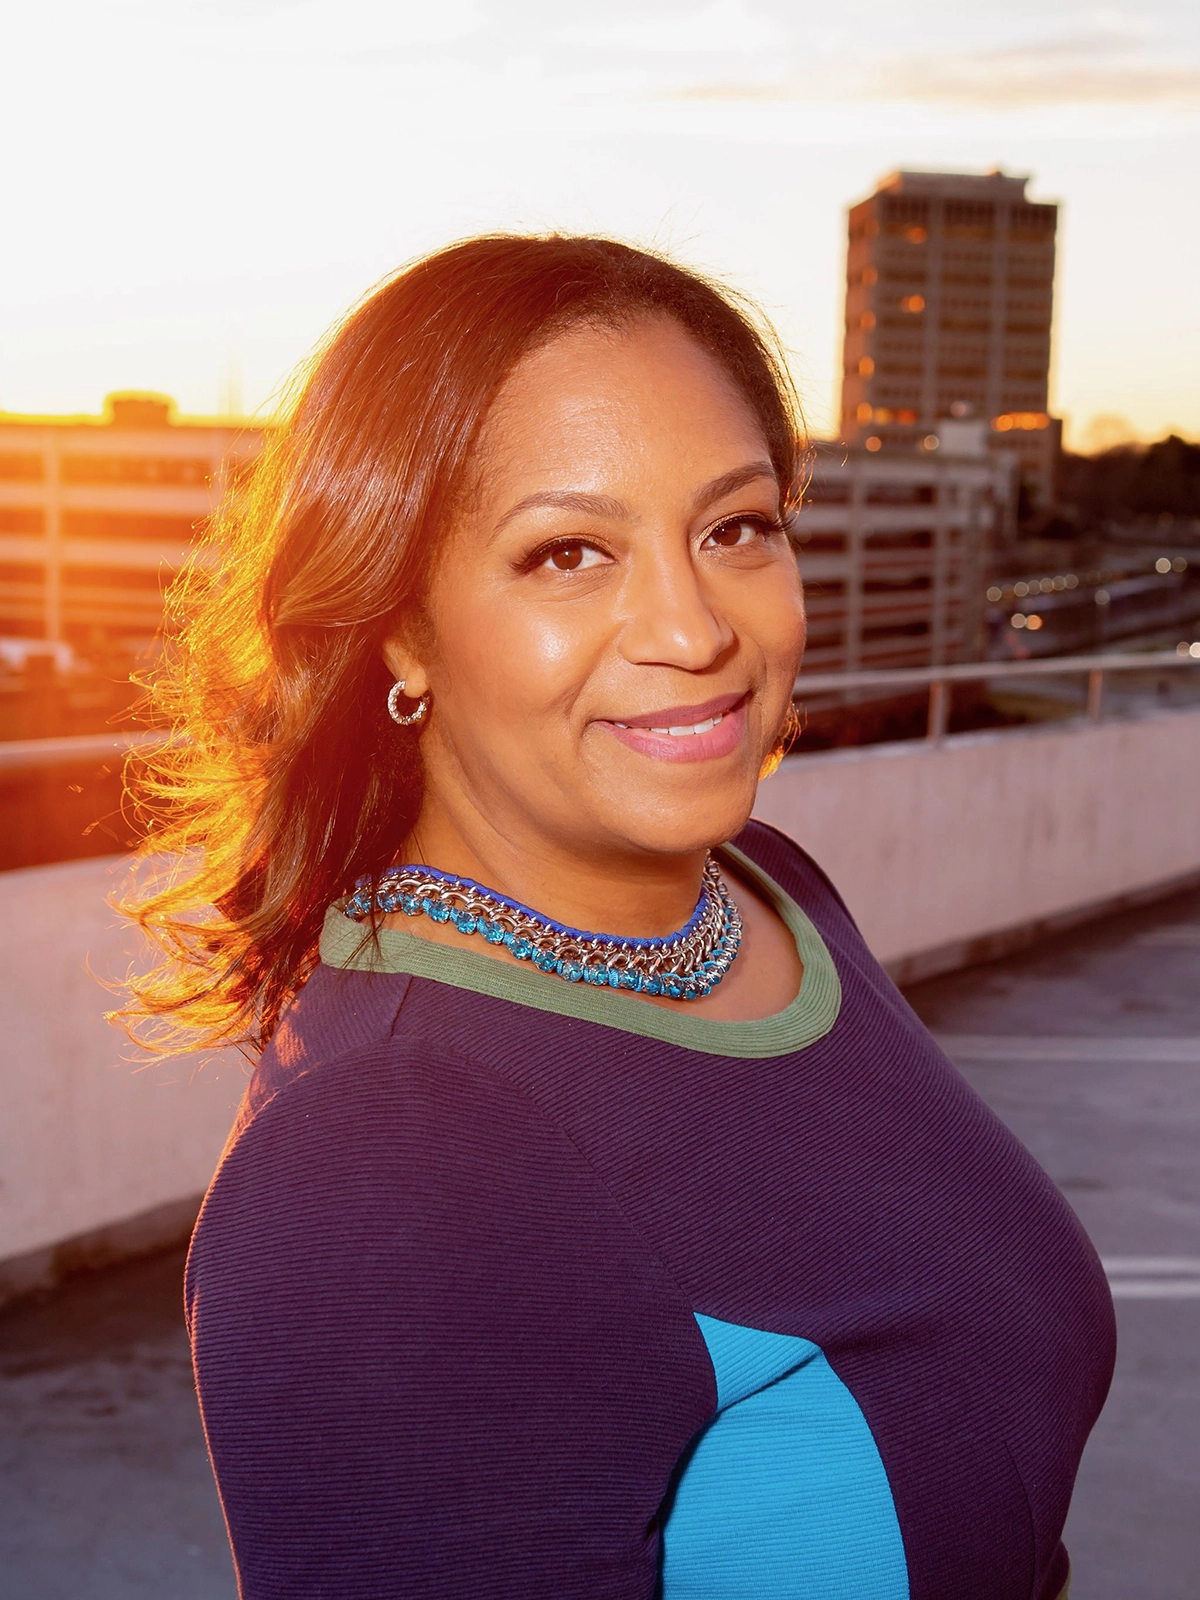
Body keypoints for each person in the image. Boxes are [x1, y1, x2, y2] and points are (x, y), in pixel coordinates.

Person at [119, 235, 1115, 1600]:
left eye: (736, 527)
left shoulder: (770, 889)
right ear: (401, 629)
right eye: (569, 552)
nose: (695, 625)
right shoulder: (391, 1157)